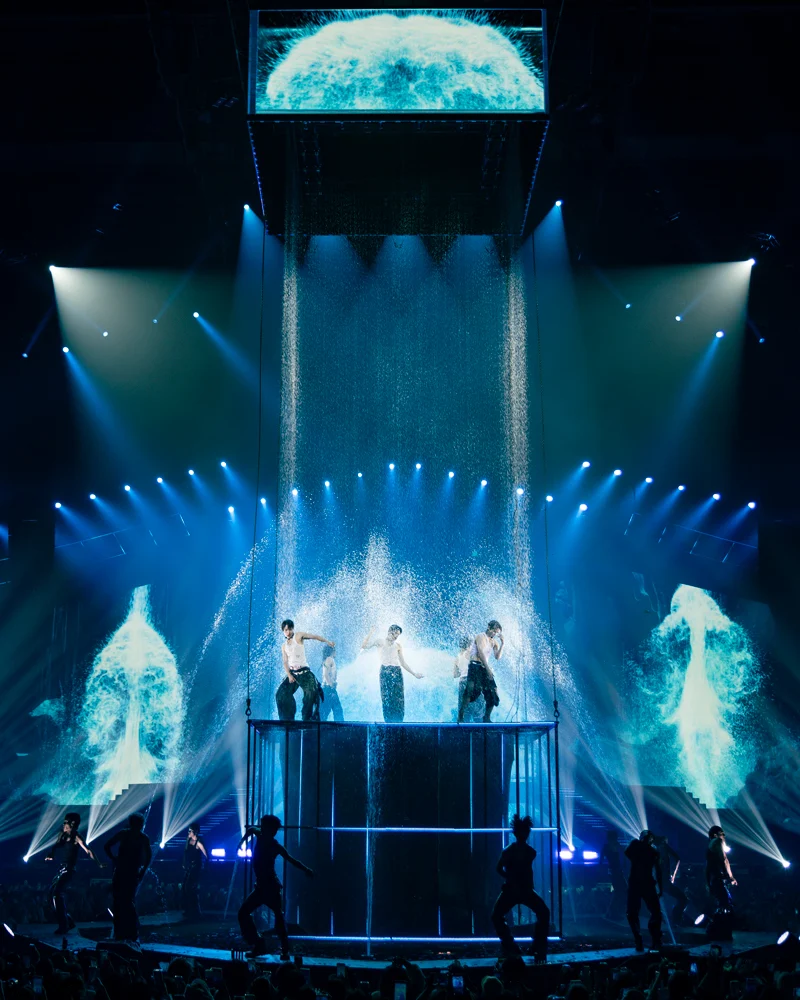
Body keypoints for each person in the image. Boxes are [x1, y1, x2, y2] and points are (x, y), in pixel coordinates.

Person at [237, 814, 313, 958]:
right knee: (244, 913)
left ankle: (284, 950)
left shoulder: (275, 846)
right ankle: (259, 944)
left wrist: (306, 869)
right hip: (261, 888)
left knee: (278, 917)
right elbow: (251, 829)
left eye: (264, 826)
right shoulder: (260, 835)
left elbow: (292, 860)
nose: (262, 828)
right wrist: (241, 842)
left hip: (271, 888)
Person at [491, 814, 549, 961]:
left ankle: (512, 946)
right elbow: (499, 868)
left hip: (514, 890)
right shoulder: (530, 852)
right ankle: (536, 947)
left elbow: (498, 869)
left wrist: (509, 878)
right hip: (524, 890)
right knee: (544, 913)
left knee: (496, 916)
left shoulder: (510, 851)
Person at [44, 812, 104, 935]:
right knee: (50, 896)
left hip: (69, 869)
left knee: (57, 893)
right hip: (61, 869)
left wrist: (98, 863)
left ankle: (64, 925)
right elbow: (56, 846)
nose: (63, 825)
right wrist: (51, 854)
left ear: (72, 824)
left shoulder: (76, 837)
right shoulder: (62, 835)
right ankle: (68, 921)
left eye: (66, 822)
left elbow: (88, 850)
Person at [104, 813, 152, 943]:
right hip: (131, 872)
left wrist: (114, 859)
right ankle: (131, 932)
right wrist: (143, 871)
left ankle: (121, 931)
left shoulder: (125, 834)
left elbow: (106, 846)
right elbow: (148, 857)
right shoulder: (143, 838)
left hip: (122, 871)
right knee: (127, 901)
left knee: (120, 900)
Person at [361, 625, 423, 723]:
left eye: (398, 635)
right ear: (390, 631)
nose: (396, 636)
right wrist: (371, 632)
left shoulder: (398, 646)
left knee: (399, 698)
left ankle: (399, 722)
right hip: (385, 671)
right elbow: (364, 646)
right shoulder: (380, 641)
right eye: (395, 634)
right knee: (386, 698)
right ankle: (388, 722)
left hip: (397, 671)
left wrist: (414, 674)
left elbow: (403, 663)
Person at [275, 619, 334, 722]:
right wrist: (289, 675)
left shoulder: (298, 636)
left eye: (289, 629)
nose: (288, 632)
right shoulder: (284, 646)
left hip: (305, 673)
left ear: (293, 629)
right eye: (285, 630)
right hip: (293, 674)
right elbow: (285, 662)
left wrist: (327, 641)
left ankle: (307, 720)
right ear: (283, 631)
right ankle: (287, 721)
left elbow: (314, 636)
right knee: (281, 694)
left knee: (310, 694)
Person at [457, 621, 503, 723]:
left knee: (493, 693)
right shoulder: (480, 636)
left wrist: (502, 644)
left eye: (496, 633)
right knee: (470, 691)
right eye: (494, 631)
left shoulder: (494, 642)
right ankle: (461, 715)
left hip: (484, 668)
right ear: (489, 627)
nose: (494, 634)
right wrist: (488, 669)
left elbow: (497, 657)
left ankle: (486, 717)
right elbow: (481, 653)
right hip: (475, 666)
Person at [624, 829, 662, 951]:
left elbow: (627, 853)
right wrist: (660, 887)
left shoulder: (645, 849)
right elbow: (658, 871)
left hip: (639, 883)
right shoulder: (650, 851)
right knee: (638, 913)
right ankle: (647, 940)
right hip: (644, 884)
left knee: (639, 913)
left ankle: (648, 940)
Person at [706, 825, 736, 940]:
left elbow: (724, 861)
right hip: (717, 879)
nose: (724, 836)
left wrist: (730, 876)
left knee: (724, 904)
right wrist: (728, 877)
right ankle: (718, 930)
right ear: (715, 835)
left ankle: (719, 930)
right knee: (725, 904)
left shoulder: (714, 846)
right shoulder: (716, 842)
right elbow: (722, 862)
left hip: (716, 879)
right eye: (722, 834)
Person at [652, 834, 687, 925]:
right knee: (682, 899)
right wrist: (674, 874)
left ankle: (673, 919)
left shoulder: (656, 852)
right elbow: (677, 858)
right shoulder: (662, 848)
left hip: (661, 882)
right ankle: (675, 919)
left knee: (675, 899)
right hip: (664, 883)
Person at [181, 823, 208, 920]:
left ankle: (194, 909)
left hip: (196, 866)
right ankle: (189, 909)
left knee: (189, 887)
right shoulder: (188, 840)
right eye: (188, 831)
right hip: (189, 866)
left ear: (195, 832)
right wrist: (184, 863)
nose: (188, 832)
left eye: (190, 831)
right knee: (185, 887)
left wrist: (205, 867)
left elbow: (206, 855)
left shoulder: (199, 842)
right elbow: (185, 852)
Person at [601, 829, 627, 920]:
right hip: (614, 871)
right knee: (619, 892)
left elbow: (624, 855)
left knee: (621, 891)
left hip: (617, 871)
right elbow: (601, 860)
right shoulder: (607, 847)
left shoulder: (615, 846)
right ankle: (612, 913)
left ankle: (612, 912)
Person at [320, 649, 344, 723]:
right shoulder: (330, 659)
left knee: (327, 711)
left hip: (326, 688)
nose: (336, 653)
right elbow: (325, 674)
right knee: (337, 710)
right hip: (328, 688)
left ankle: (321, 726)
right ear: (332, 652)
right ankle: (340, 727)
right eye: (335, 651)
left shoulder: (327, 660)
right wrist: (331, 685)